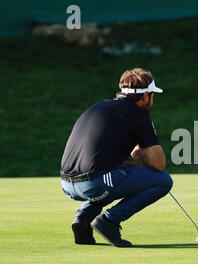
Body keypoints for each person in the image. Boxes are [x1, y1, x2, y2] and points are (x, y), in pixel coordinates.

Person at [60, 68, 173, 247]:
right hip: (93, 184)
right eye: (152, 95)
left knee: (116, 175)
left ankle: (83, 219)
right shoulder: (138, 114)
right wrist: (140, 155)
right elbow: (159, 164)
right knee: (163, 181)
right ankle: (109, 221)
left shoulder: (98, 106)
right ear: (145, 96)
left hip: (67, 185)